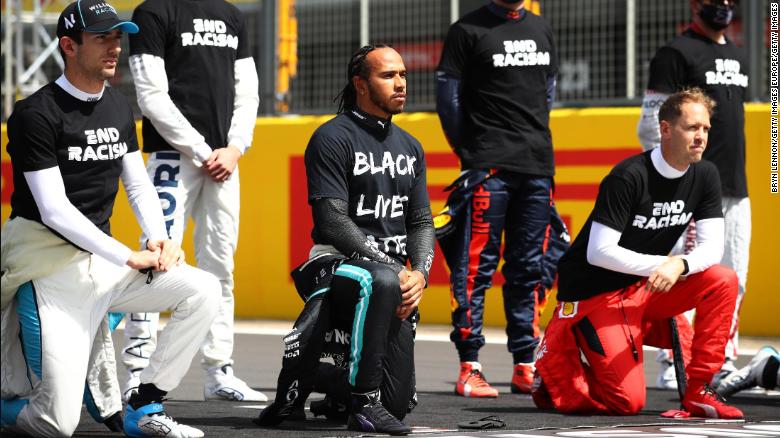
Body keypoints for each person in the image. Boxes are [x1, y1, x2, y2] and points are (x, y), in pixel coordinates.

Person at [0, 1, 220, 436]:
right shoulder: (34, 114)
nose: (115, 47)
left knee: (203, 289)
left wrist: (159, 238)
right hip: (49, 274)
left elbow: (137, 186)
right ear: (68, 45)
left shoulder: (119, 107)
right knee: (55, 427)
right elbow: (54, 210)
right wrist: (127, 256)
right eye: (102, 38)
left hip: (103, 266)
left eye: (118, 37)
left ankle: (145, 405)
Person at [256, 45, 434, 435]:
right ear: (360, 84)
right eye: (388, 76)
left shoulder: (411, 147)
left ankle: (317, 378)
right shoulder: (332, 137)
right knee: (380, 279)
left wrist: (419, 274)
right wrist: (392, 267)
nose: (400, 83)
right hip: (332, 263)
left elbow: (421, 221)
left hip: (391, 275)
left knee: (400, 404)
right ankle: (362, 404)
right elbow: (332, 221)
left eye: (402, 74)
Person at [533, 88, 743, 419]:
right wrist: (665, 264)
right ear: (665, 129)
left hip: (645, 287)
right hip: (596, 294)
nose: (701, 137)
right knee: (627, 403)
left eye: (705, 129)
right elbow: (599, 252)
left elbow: (712, 248)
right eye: (692, 128)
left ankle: (699, 391)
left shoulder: (705, 175)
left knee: (723, 280)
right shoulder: (628, 176)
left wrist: (680, 263)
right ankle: (552, 371)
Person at [120, 0, 263, 402]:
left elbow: (247, 92)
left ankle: (219, 371)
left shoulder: (232, 15)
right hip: (172, 156)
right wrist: (204, 150)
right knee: (157, 258)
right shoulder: (153, 12)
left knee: (220, 264)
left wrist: (235, 147)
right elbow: (151, 95)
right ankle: (137, 372)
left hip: (225, 162)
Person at [435, 0, 564, 397]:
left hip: (537, 167)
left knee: (530, 267)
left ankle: (526, 363)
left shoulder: (542, 28)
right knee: (475, 269)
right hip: (487, 167)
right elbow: (448, 102)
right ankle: (469, 365)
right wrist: (471, 153)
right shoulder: (466, 30)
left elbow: (548, 92)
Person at [637, 0, 750, 390]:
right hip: (692, 189)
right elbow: (653, 127)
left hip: (736, 186)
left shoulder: (738, 55)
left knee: (733, 279)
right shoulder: (675, 53)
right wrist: (673, 180)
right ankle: (677, 360)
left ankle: (721, 360)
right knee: (688, 277)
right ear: (693, 4)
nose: (723, 6)